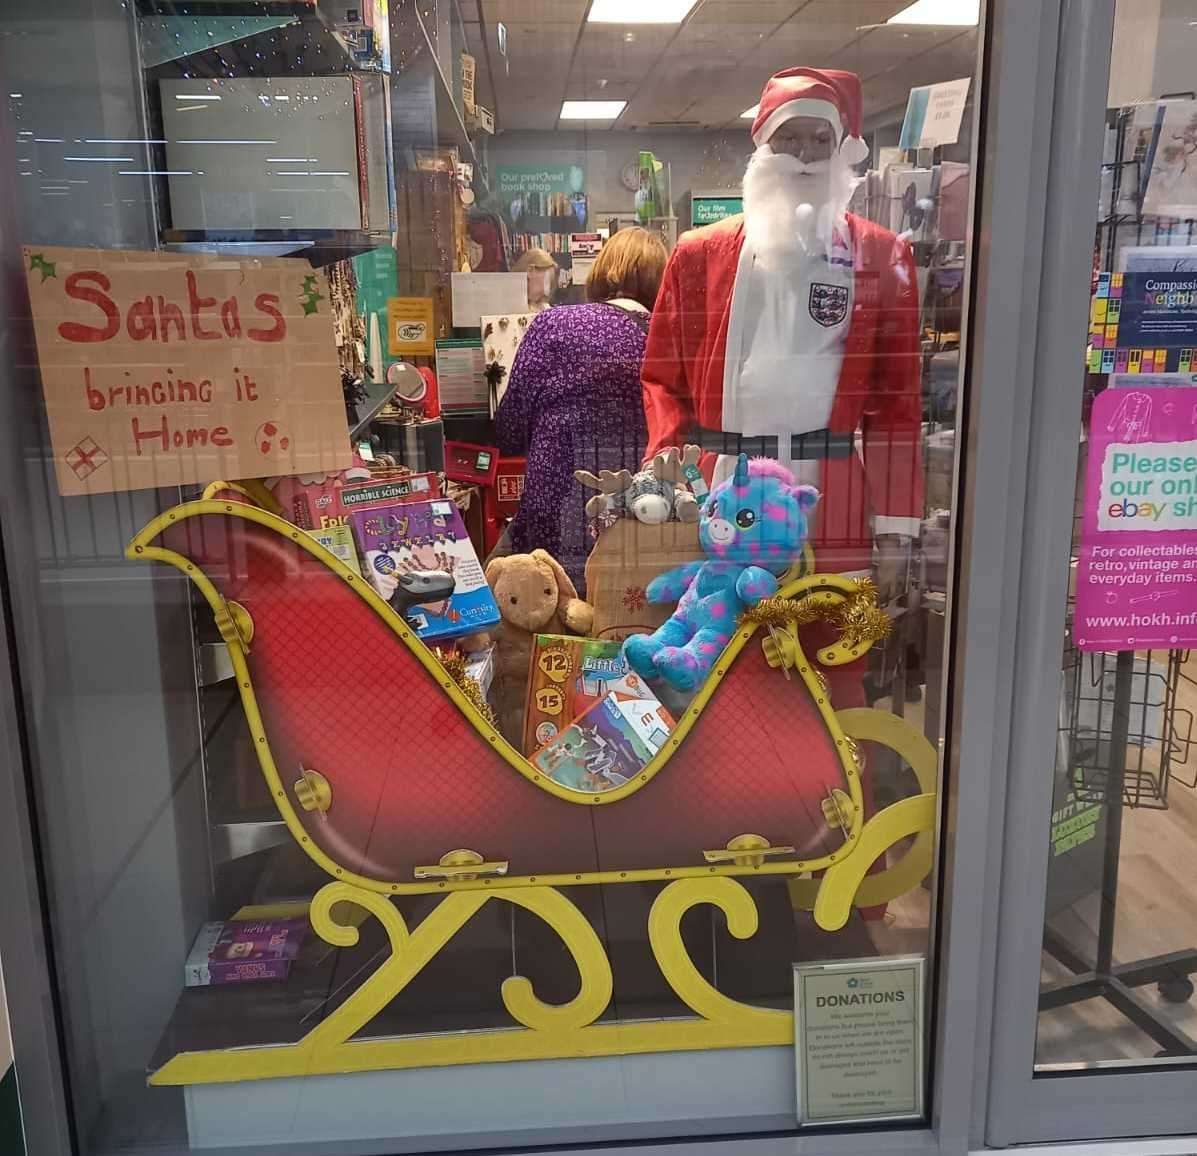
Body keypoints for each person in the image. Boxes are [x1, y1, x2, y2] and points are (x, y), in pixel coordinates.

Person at [641, 66, 922, 588]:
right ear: (763, 144)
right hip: (722, 481)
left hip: (830, 490)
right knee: (717, 640)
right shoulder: (699, 255)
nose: (804, 155)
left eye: (821, 140)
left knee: (827, 647)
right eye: (788, 138)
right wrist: (664, 477)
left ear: (842, 151)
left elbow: (896, 403)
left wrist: (896, 526)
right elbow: (664, 380)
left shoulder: (881, 256)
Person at [496, 226, 669, 593]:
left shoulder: (553, 324)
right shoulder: (665, 337)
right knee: (629, 612)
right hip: (643, 510)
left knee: (551, 613)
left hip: (556, 506)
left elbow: (510, 426)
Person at [512, 247, 558, 313]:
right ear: (530, 270)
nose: (546, 291)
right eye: (546, 281)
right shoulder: (509, 305)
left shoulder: (544, 307)